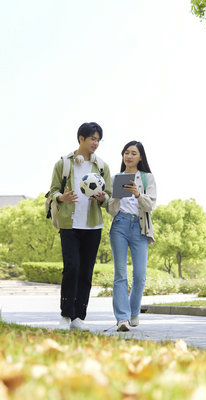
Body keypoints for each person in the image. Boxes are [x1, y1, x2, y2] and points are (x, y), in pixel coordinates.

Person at [48, 122, 112, 331]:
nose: (96, 143)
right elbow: (53, 192)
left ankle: (79, 318)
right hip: (69, 224)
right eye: (92, 138)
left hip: (93, 226)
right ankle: (66, 315)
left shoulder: (101, 166)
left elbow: (109, 196)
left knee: (86, 272)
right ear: (81, 139)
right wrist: (62, 197)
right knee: (72, 268)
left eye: (98, 139)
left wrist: (103, 197)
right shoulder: (64, 164)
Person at [108, 141, 156, 332]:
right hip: (119, 224)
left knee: (140, 276)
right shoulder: (116, 178)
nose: (129, 156)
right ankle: (122, 319)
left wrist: (137, 193)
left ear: (140, 157)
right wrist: (117, 197)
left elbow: (150, 206)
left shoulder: (147, 178)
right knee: (120, 274)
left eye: (133, 153)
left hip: (139, 227)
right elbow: (110, 210)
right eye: (126, 153)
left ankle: (133, 312)